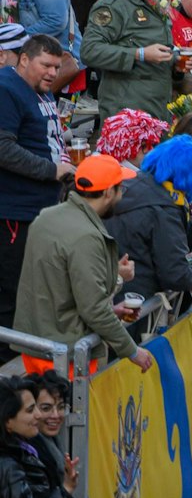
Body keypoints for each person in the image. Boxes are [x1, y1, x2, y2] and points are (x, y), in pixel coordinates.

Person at [12, 154, 148, 372]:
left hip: (36, 345)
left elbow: (60, 287)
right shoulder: (86, 236)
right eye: (120, 188)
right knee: (68, 407)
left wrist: (112, 287)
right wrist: (132, 351)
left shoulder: (46, 217)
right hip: (66, 355)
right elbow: (93, 309)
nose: (122, 195)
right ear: (107, 192)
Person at [0, 35, 70, 329]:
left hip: (40, 207)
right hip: (16, 211)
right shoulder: (7, 89)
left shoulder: (40, 88)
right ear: (24, 59)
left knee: (33, 289)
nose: (53, 73)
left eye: (56, 67)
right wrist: (51, 170)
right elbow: (3, 148)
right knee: (12, 293)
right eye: (46, 66)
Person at [79, 0, 178, 118]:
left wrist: (179, 57)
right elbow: (90, 51)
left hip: (157, 104)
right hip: (127, 110)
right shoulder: (112, 6)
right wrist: (139, 54)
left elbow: (160, 44)